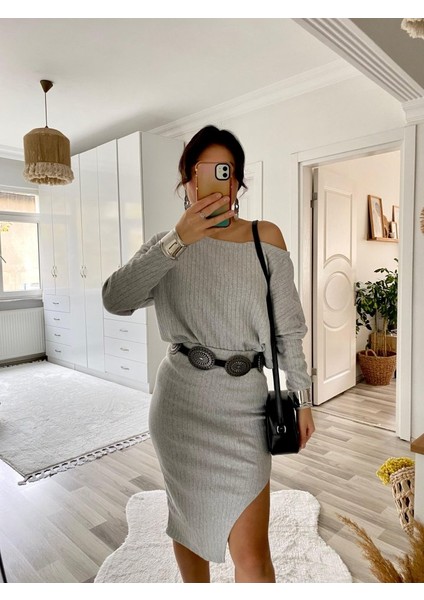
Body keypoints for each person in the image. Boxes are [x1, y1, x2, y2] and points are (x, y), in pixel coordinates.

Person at [102, 125, 315, 583]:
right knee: (189, 529)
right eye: (207, 171)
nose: (221, 182)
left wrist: (302, 398)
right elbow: (115, 299)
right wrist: (176, 241)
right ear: (188, 180)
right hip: (180, 407)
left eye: (229, 171)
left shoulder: (265, 237)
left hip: (244, 410)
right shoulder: (166, 245)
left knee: (252, 557)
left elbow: (288, 329)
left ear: (238, 182)